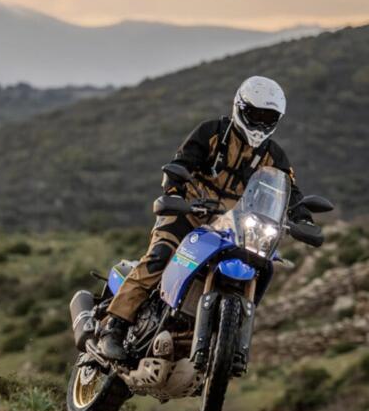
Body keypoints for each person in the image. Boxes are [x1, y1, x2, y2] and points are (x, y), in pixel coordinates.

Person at [97, 75, 311, 360]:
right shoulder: (212, 132)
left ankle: (230, 337)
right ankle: (115, 326)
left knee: (264, 266)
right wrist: (174, 192)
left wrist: (303, 218)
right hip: (188, 213)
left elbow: (290, 190)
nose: (260, 123)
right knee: (160, 255)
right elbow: (180, 164)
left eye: (268, 118)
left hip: (230, 226)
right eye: (255, 114)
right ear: (240, 107)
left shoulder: (274, 156)